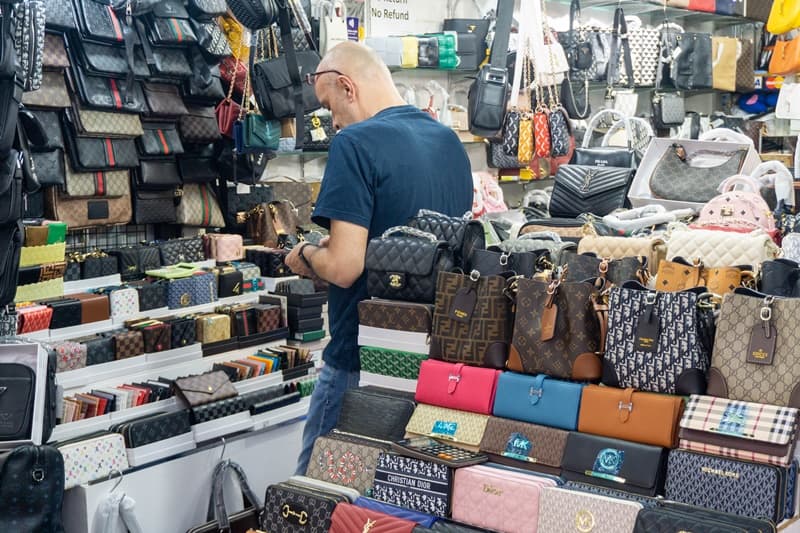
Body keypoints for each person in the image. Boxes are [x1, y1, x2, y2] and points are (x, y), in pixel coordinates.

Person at [285, 41, 473, 475]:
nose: (333, 122)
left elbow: (344, 267)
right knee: (400, 495)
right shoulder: (448, 142)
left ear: (347, 87)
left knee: (318, 494)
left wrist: (306, 254)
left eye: (329, 107)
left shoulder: (354, 143)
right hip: (434, 361)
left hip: (361, 360)